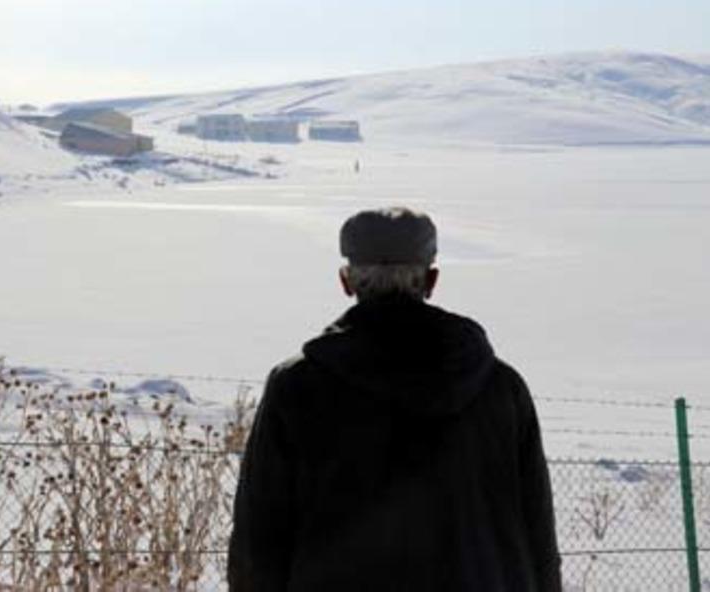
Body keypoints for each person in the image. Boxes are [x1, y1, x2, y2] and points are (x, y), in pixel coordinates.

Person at [228, 207, 561, 591]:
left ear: (346, 281)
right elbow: (538, 539)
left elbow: (258, 546)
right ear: (431, 280)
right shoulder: (501, 388)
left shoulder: (296, 388)